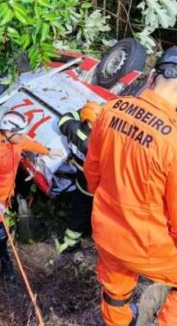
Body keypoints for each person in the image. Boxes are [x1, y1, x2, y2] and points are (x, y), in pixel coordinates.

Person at [84, 46, 177, 326]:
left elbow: (92, 173)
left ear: (152, 76)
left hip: (106, 232)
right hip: (146, 245)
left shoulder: (111, 110)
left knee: (116, 291)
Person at [0, 111, 62, 281]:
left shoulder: (16, 141)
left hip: (3, 193)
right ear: (8, 132)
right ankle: (5, 263)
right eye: (20, 133)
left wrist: (48, 151)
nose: (23, 136)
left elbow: (29, 143)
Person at [56, 101, 102, 254]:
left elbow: (63, 120)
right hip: (93, 183)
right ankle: (78, 239)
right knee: (86, 210)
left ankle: (70, 241)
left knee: (79, 207)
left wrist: (82, 111)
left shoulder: (72, 128)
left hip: (80, 178)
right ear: (90, 123)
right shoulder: (93, 144)